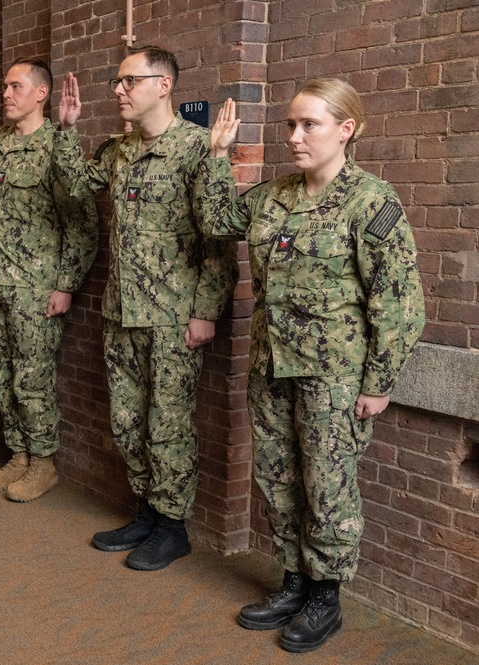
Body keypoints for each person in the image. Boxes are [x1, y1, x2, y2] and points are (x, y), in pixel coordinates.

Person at [196, 79, 425, 652]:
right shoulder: (274, 196)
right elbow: (217, 219)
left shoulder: (372, 202)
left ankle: (326, 596)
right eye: (290, 126)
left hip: (335, 378)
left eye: (309, 125)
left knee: (328, 488)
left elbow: (399, 303)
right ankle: (294, 581)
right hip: (271, 366)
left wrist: (378, 382)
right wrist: (216, 154)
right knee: (277, 479)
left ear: (345, 129)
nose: (295, 137)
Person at [54, 47, 238, 570]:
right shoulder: (119, 151)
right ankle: (148, 511)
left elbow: (217, 242)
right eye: (117, 81)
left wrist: (206, 312)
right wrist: (66, 131)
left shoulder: (200, 149)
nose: (118, 90)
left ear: (163, 85)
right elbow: (73, 188)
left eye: (128, 81)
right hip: (122, 312)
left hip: (173, 317)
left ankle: (173, 526)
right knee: (127, 420)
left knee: (169, 425)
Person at [0, 40, 98, 502]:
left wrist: (66, 284)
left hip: (34, 287)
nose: (5, 93)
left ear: (41, 94)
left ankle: (43, 462)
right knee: (1, 373)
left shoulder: (58, 145)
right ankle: (19, 455)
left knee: (32, 377)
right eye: (4, 86)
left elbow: (82, 221)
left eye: (16, 86)